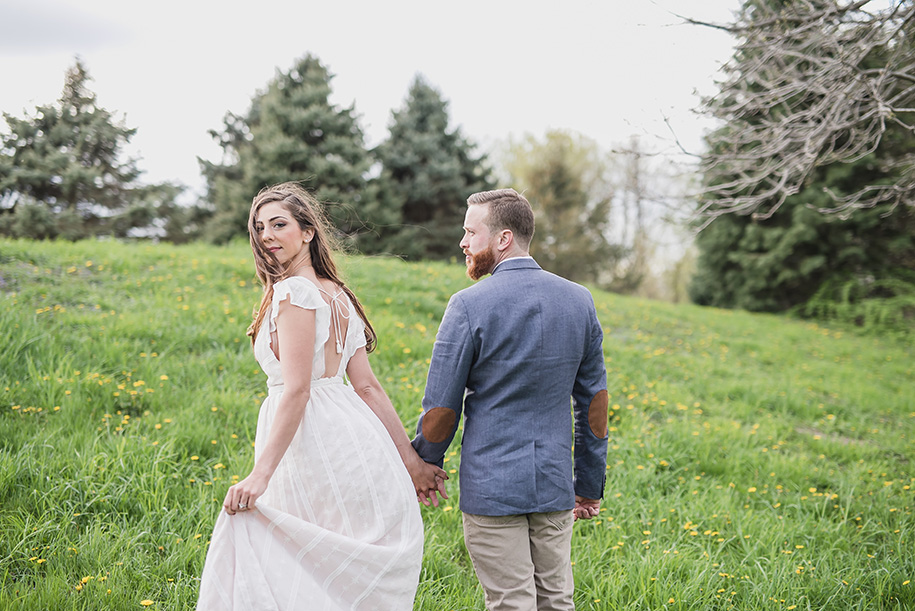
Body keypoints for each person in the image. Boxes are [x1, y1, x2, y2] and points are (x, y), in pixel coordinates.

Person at [197, 183, 444, 610]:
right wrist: (409, 461)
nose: (267, 236)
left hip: (312, 443)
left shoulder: (294, 292)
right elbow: (366, 386)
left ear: (308, 231)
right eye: (260, 227)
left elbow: (297, 389)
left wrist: (260, 474)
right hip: (351, 435)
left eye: (279, 224)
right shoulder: (338, 293)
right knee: (327, 563)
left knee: (298, 561)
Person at [412, 188, 609, 611]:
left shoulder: (467, 305)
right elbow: (595, 406)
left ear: (503, 239)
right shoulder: (580, 300)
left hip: (493, 487)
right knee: (557, 600)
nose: (462, 243)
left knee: (510, 603)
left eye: (470, 232)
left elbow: (442, 406)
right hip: (555, 484)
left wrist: (426, 462)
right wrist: (589, 485)